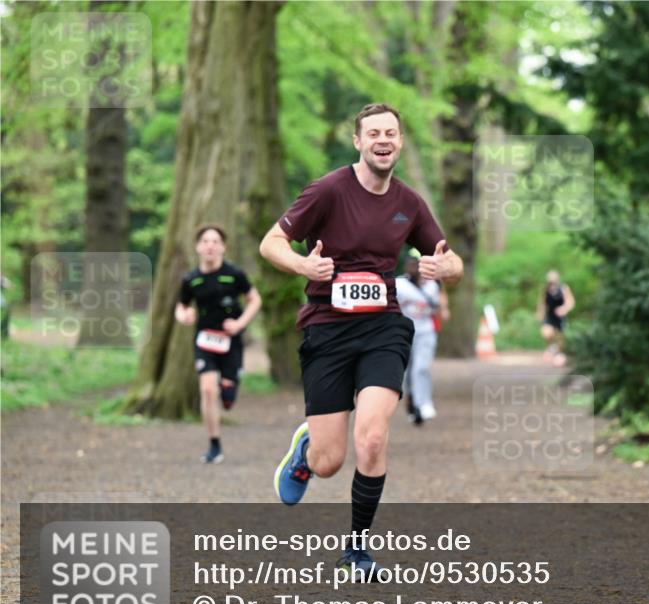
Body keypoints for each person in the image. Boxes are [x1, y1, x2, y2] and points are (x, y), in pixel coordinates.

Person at [259, 103, 463, 576]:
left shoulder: (409, 203)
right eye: (373, 133)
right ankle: (308, 451)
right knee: (330, 461)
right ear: (358, 141)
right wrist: (304, 265)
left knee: (371, 437)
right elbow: (271, 242)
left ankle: (357, 549)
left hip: (382, 328)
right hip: (327, 327)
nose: (383, 140)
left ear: (400, 141)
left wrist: (443, 268)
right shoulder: (329, 190)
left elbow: (450, 261)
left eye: (391, 132)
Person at [176, 226, 262, 464]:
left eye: (215, 241)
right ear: (198, 247)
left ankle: (230, 385)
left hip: (231, 342)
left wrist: (240, 323)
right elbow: (181, 306)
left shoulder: (234, 274)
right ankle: (214, 444)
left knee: (227, 395)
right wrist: (183, 316)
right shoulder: (191, 279)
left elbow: (255, 299)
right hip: (204, 340)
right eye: (205, 241)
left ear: (223, 247)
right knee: (207, 390)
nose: (210, 246)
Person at [396, 253, 446, 425]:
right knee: (407, 371)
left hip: (426, 331)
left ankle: (424, 403)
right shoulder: (399, 285)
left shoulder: (432, 286)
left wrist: (440, 308)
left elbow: (439, 309)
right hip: (405, 333)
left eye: (415, 264)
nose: (412, 267)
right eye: (409, 263)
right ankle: (412, 404)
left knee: (421, 368)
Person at [536, 270, 574, 367]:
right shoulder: (545, 289)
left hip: (560, 317)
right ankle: (552, 348)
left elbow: (570, 302)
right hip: (550, 316)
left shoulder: (564, 288)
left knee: (560, 338)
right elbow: (542, 303)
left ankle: (558, 353)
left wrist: (564, 309)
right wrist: (540, 313)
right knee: (546, 333)